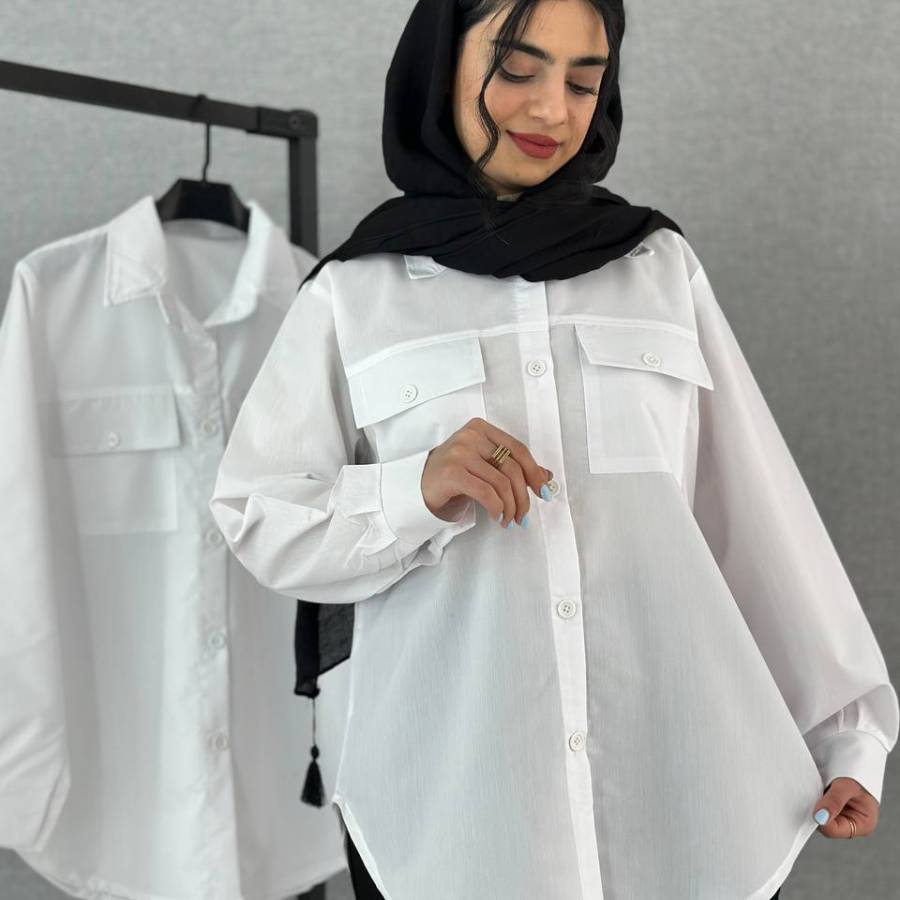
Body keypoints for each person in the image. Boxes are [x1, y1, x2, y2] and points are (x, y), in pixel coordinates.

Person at [209, 1, 899, 898]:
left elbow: (755, 518)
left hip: (685, 801)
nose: (552, 110)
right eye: (517, 68)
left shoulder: (657, 269)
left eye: (583, 80)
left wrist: (846, 737)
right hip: (449, 820)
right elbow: (260, 513)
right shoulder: (354, 294)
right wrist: (414, 489)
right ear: (439, 69)